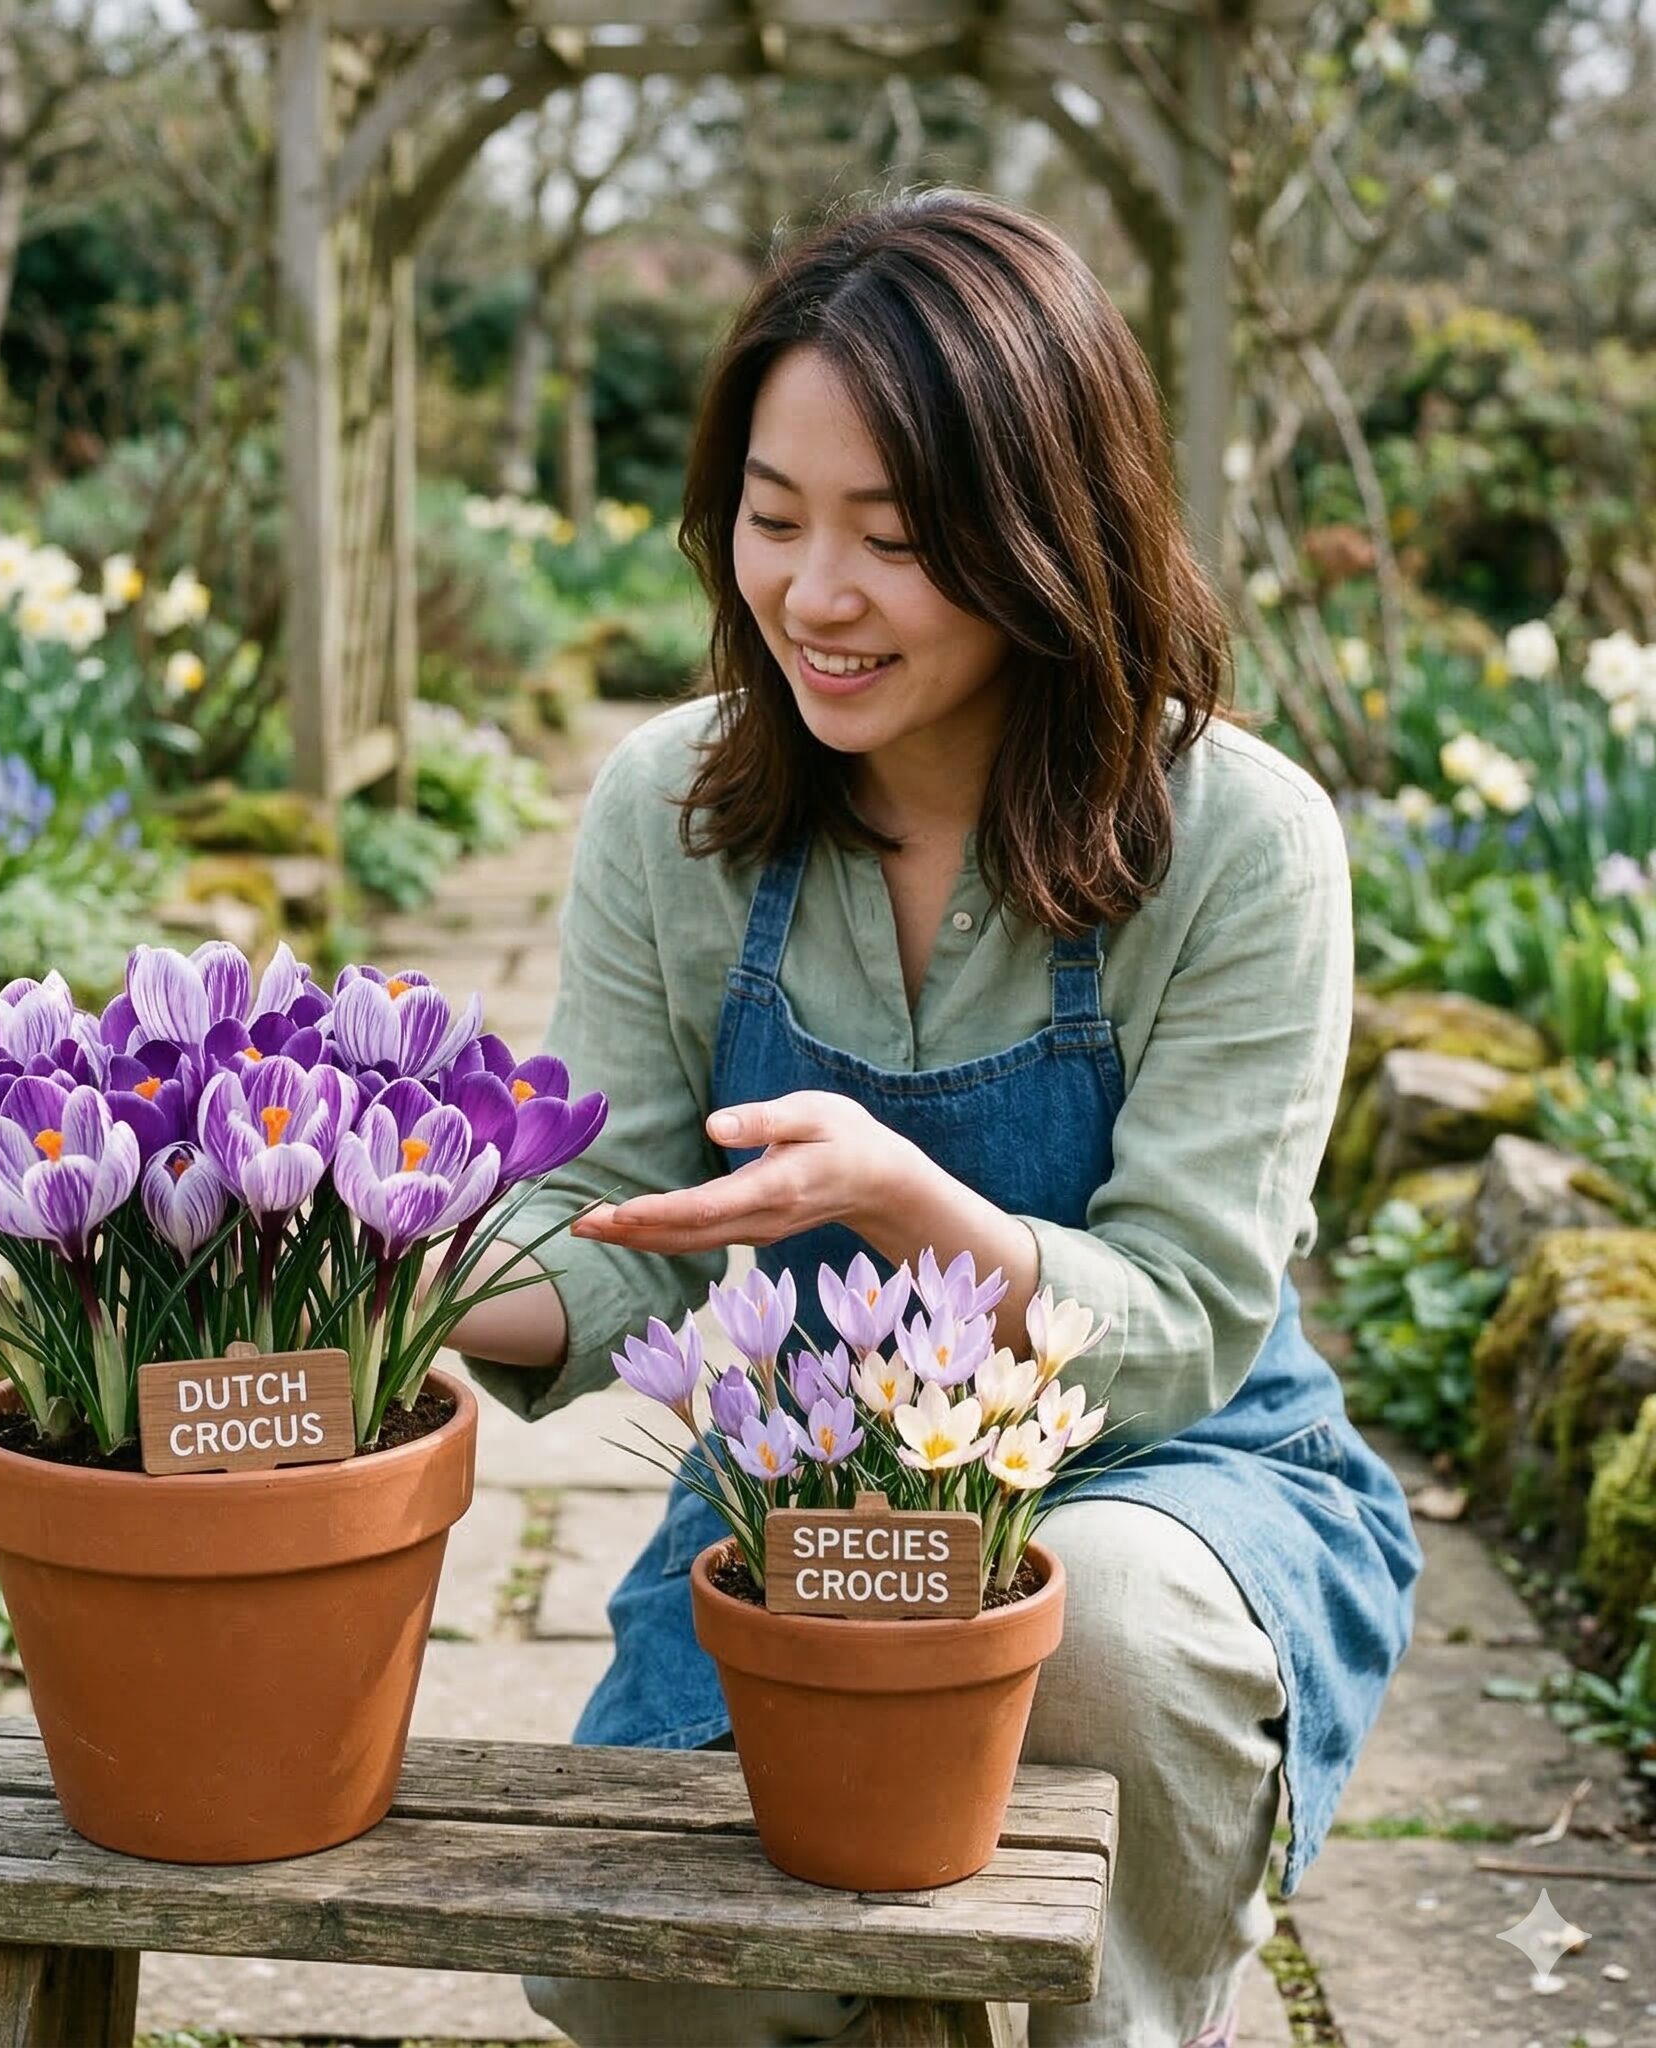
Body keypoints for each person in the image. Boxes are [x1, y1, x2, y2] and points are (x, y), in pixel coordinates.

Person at [447, 188, 1420, 2048]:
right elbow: (624, 1226)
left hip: (1160, 1470)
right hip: (809, 1489)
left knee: (1104, 1633)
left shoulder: (1235, 842)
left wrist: (910, 1204)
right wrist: (399, 1279)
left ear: (1048, 532)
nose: (814, 593)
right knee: (622, 1960)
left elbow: (1193, 1315)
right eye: (773, 517)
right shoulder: (672, 811)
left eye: (893, 540)